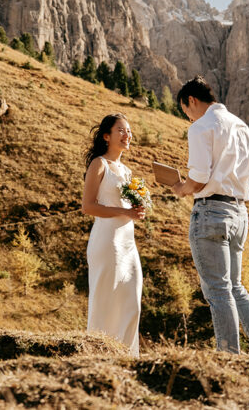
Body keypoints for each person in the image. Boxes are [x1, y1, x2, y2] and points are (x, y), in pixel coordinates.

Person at [170, 77, 249, 355]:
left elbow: (200, 178)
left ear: (191, 100)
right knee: (236, 287)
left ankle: (229, 355)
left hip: (211, 212)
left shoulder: (201, 126)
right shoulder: (242, 127)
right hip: (239, 212)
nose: (188, 117)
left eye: (185, 110)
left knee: (217, 290)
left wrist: (182, 188)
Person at [81, 113, 145, 356]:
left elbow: (125, 208)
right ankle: (97, 356)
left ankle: (128, 359)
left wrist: (136, 211)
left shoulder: (127, 170)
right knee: (106, 301)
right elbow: (87, 206)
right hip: (107, 242)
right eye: (121, 130)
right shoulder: (99, 164)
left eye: (128, 130)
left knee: (132, 303)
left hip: (128, 243)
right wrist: (123, 211)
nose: (127, 134)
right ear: (107, 136)